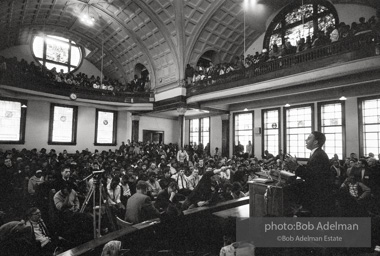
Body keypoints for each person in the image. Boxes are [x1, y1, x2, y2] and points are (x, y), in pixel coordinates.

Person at [285, 131, 335, 217]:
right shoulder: (316, 153)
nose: (306, 140)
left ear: (315, 142)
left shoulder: (318, 155)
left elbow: (311, 176)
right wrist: (297, 164)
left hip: (318, 197)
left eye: (309, 138)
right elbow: (312, 171)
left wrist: (295, 167)